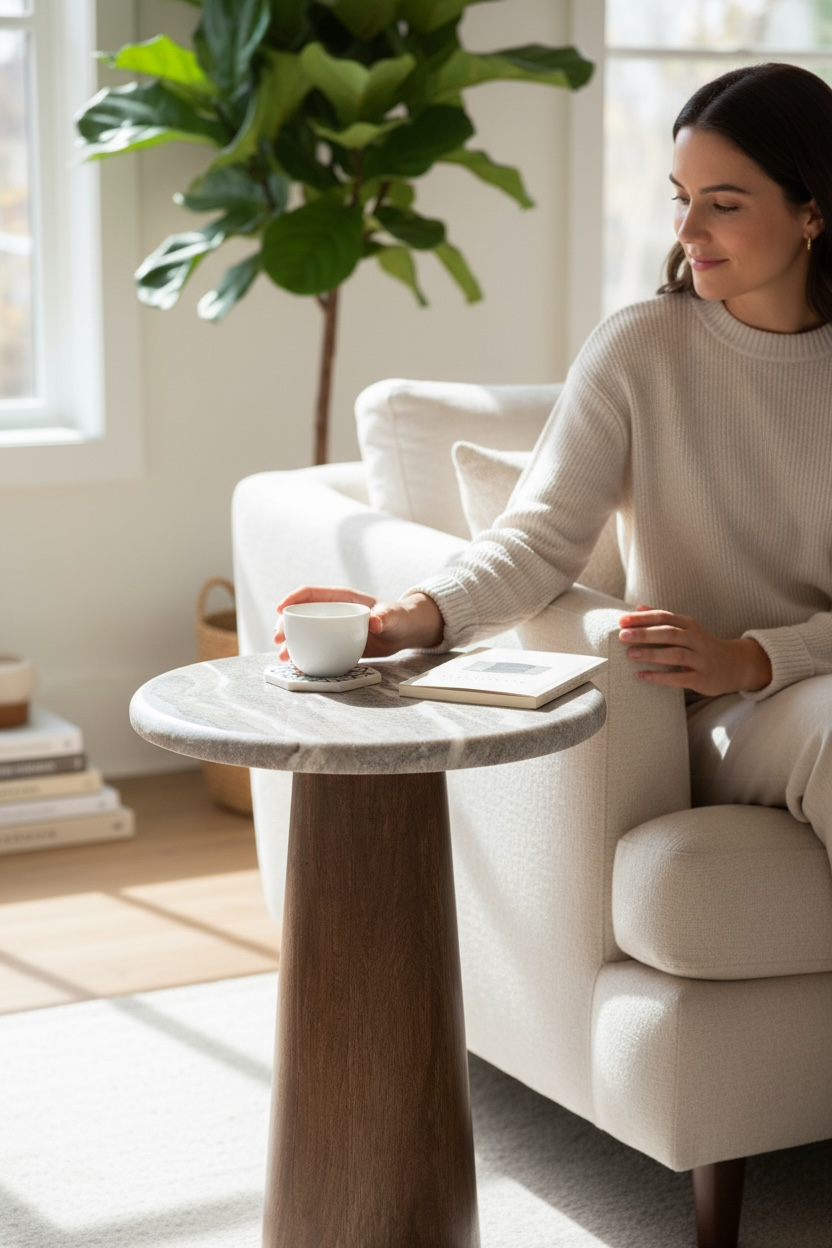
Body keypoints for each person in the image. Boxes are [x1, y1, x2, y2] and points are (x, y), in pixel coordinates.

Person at [276, 63, 832, 864]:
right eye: (682, 197)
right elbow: (537, 542)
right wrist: (402, 619)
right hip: (723, 717)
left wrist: (757, 653)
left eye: (725, 204)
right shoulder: (641, 349)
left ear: (812, 210)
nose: (686, 231)